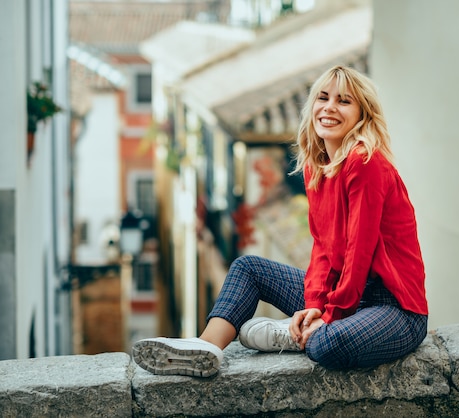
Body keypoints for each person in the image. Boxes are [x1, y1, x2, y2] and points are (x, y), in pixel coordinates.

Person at [132, 65, 428, 378]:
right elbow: (324, 252)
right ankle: (206, 347)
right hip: (345, 295)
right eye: (323, 98)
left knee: (324, 345)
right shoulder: (319, 168)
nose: (329, 108)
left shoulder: (365, 162)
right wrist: (315, 303)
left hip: (394, 309)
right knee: (249, 269)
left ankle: (294, 334)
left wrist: (330, 315)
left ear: (362, 114)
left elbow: (359, 250)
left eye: (344, 101)